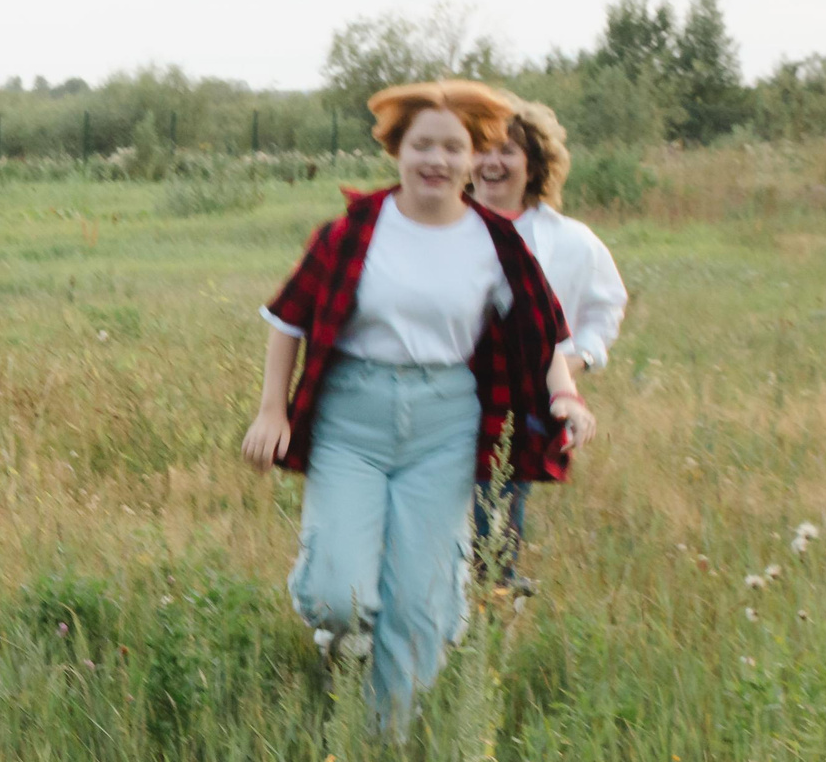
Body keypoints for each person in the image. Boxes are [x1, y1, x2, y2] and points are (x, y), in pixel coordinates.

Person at [240, 80, 594, 728]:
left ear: (473, 156)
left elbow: (541, 334)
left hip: (444, 425)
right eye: (422, 144)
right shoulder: (355, 231)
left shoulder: (497, 242)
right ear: (397, 150)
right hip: (353, 415)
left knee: (420, 607)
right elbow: (287, 317)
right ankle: (338, 635)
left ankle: (381, 748)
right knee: (338, 593)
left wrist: (565, 392)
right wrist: (272, 410)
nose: (437, 159)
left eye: (453, 147)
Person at [468, 97, 627, 591]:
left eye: (508, 150)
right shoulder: (439, 225)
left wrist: (570, 366)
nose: (492, 161)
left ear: (534, 164)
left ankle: (492, 610)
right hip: (437, 397)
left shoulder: (572, 241)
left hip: (513, 406)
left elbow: (605, 310)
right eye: (482, 148)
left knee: (492, 524)